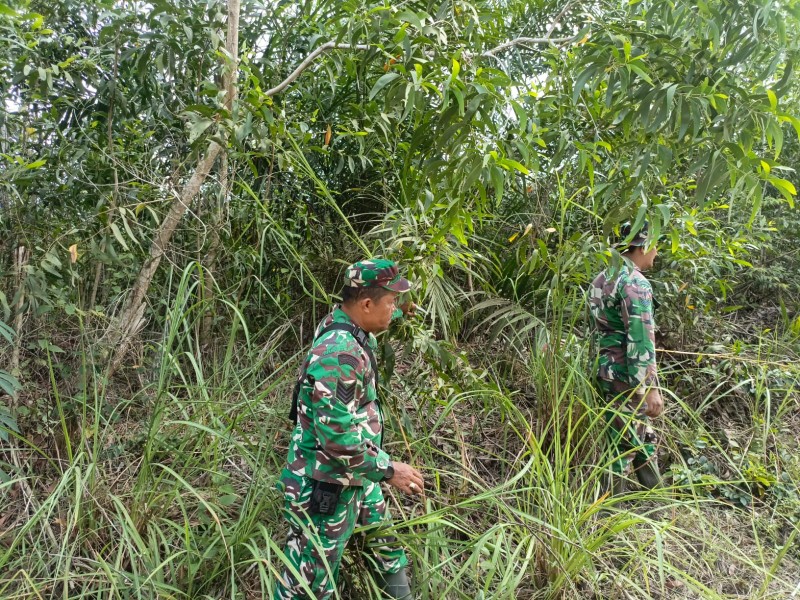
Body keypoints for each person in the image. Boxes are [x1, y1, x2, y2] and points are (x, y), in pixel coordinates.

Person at [274, 258, 424, 600]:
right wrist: (388, 470)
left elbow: (383, 314)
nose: (394, 311)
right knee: (310, 582)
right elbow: (336, 439)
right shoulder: (339, 354)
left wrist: (400, 311)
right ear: (367, 304)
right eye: (390, 303)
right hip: (325, 484)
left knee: (386, 547)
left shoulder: (345, 321)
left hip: (355, 476)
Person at [588, 222, 664, 495]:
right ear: (641, 246)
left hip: (605, 369)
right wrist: (650, 387)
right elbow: (640, 338)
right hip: (628, 374)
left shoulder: (602, 279)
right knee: (623, 443)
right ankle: (612, 516)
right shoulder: (635, 283)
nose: (656, 253)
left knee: (638, 435)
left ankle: (658, 503)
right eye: (655, 246)